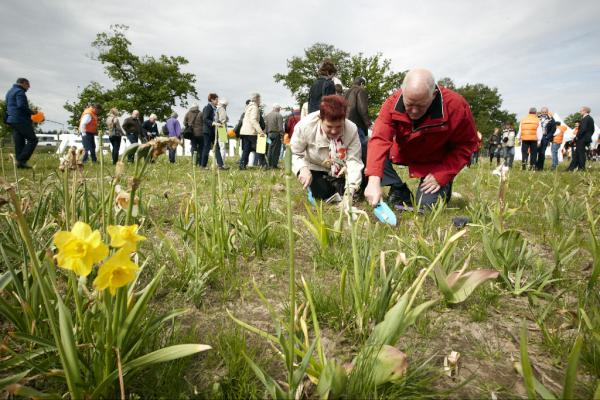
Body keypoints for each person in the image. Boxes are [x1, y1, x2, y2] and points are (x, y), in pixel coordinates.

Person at [364, 68, 478, 210]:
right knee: (366, 146)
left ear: (434, 94)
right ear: (402, 92)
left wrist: (442, 175)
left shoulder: (456, 106)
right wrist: (374, 178)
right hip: (404, 152)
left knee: (426, 206)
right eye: (409, 104)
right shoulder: (391, 103)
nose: (414, 111)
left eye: (421, 106)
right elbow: (380, 138)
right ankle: (398, 188)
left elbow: (467, 145)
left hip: (436, 161)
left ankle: (444, 186)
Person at [291, 95, 363, 200]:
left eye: (338, 127)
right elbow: (294, 153)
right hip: (315, 167)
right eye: (329, 126)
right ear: (320, 119)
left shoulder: (351, 129)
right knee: (323, 193)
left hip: (341, 167)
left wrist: (351, 188)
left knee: (353, 188)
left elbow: (354, 160)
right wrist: (302, 168)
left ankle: (345, 186)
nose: (334, 131)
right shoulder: (305, 126)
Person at [4, 78, 37, 168]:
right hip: (20, 120)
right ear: (22, 83)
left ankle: (21, 164)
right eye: (28, 85)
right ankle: (21, 161)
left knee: (19, 142)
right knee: (33, 140)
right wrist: (32, 112)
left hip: (12, 120)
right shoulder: (20, 92)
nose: (29, 87)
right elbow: (21, 106)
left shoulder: (10, 91)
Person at [345, 77, 372, 160]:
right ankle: (364, 169)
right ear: (362, 84)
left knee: (349, 149)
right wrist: (368, 124)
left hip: (346, 123)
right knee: (361, 149)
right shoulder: (360, 90)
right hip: (357, 125)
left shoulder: (346, 92)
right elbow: (362, 108)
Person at [239, 93, 266, 169]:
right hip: (251, 131)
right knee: (260, 147)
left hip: (244, 131)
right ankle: (263, 165)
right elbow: (253, 120)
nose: (260, 101)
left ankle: (242, 165)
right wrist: (260, 131)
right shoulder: (254, 108)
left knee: (246, 149)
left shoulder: (248, 107)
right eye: (259, 99)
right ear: (257, 99)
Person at [201, 93, 227, 169]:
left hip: (213, 131)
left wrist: (218, 122)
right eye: (216, 99)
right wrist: (214, 123)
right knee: (206, 148)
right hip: (207, 131)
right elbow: (205, 119)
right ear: (212, 99)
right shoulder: (207, 108)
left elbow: (214, 118)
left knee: (217, 148)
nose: (217, 101)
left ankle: (220, 165)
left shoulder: (214, 108)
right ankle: (203, 166)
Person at [568, 107, 595, 171]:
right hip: (585, 138)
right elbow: (592, 130)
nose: (580, 112)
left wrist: (577, 136)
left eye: (581, 111)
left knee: (581, 154)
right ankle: (571, 168)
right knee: (577, 154)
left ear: (585, 111)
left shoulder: (586, 118)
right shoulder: (590, 118)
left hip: (582, 139)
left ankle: (581, 168)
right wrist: (589, 136)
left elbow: (583, 129)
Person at [265, 103, 284, 169]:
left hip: (269, 135)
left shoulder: (267, 115)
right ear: (278, 109)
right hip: (276, 135)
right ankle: (274, 165)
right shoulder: (279, 115)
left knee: (270, 149)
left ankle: (269, 164)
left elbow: (266, 126)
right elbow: (280, 127)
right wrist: (282, 136)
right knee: (276, 150)